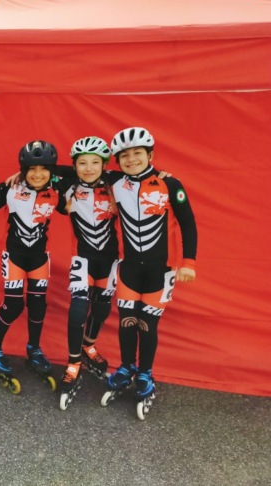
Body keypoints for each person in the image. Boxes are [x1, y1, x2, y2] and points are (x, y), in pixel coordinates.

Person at [102, 126, 197, 419]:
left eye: (137, 154)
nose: (131, 159)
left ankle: (145, 373)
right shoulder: (114, 181)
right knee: (127, 321)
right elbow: (78, 171)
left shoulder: (171, 183)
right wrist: (26, 173)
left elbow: (188, 223)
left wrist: (189, 262)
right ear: (118, 161)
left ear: (150, 155)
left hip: (161, 270)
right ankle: (126, 367)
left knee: (147, 324)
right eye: (125, 156)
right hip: (129, 268)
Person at [0, 140, 65, 394]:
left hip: (39, 258)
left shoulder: (58, 189)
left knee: (39, 304)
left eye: (44, 169)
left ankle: (34, 348)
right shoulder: (11, 188)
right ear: (23, 170)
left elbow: (83, 174)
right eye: (31, 169)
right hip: (14, 257)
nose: (37, 174)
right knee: (14, 304)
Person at [58, 136, 119, 410]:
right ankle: (73, 362)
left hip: (110, 260)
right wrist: (21, 174)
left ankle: (88, 345)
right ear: (74, 166)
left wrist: (163, 175)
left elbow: (143, 176)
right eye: (82, 163)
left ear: (105, 165)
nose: (89, 168)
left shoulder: (116, 184)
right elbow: (46, 169)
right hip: (82, 258)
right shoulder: (68, 185)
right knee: (78, 311)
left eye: (95, 162)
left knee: (102, 308)